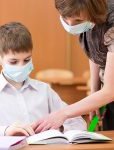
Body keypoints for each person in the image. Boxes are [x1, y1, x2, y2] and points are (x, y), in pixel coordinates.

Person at [0, 22, 86, 137]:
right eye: (14, 61)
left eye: (27, 60)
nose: (21, 66)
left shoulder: (44, 90)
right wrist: (4, 131)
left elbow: (79, 123)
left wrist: (59, 127)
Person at [32, 0, 114, 132]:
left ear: (94, 14)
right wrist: (94, 93)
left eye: (78, 21)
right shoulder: (85, 19)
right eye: (65, 18)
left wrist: (62, 113)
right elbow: (95, 53)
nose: (70, 24)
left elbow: (110, 91)